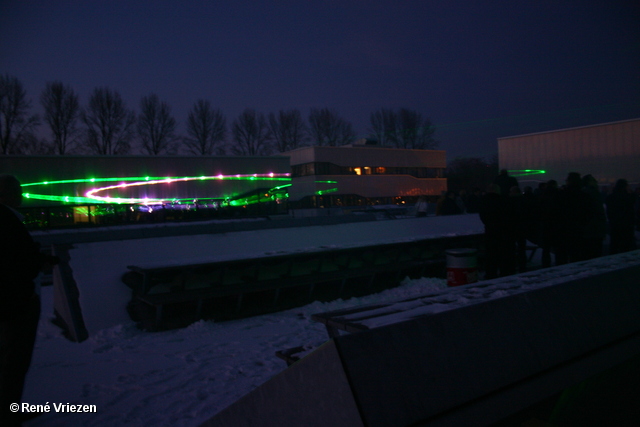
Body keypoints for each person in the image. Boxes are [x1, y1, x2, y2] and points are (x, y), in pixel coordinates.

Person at [0, 175, 58, 425]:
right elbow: (17, 263)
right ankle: (8, 413)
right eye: (19, 190)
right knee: (13, 362)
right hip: (14, 305)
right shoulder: (7, 221)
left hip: (8, 304)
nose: (23, 194)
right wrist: (40, 262)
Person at [605, 179, 637, 254]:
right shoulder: (628, 197)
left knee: (614, 244)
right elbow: (633, 200)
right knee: (626, 245)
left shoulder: (611, 197)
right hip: (627, 224)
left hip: (615, 224)